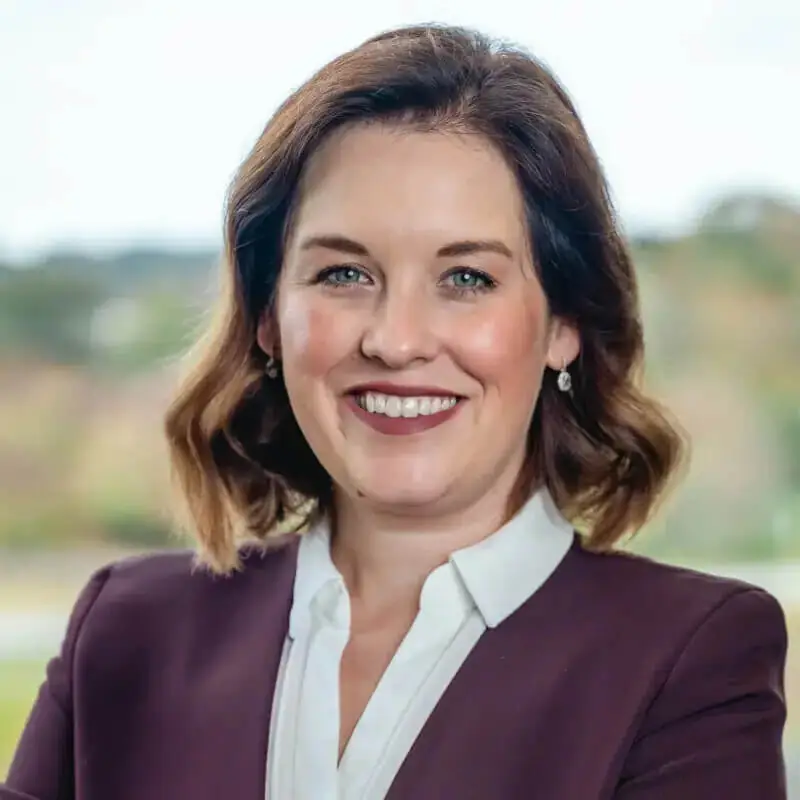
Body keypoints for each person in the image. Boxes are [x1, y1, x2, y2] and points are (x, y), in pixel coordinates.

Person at [2, 23, 787, 800]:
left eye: (467, 279)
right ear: (268, 315)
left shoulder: (689, 661)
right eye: (344, 274)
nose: (395, 340)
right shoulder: (124, 634)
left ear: (564, 324)